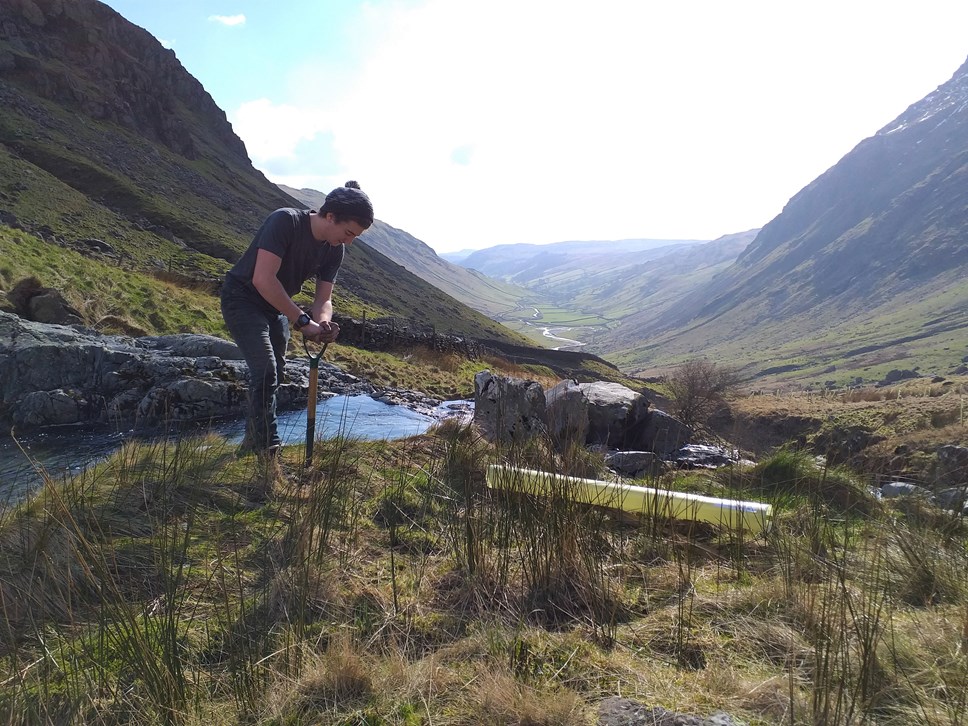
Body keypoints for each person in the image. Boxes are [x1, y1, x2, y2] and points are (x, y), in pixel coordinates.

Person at [220, 181, 374, 458]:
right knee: (265, 370)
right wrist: (303, 322)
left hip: (275, 309)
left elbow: (323, 300)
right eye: (348, 232)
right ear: (330, 216)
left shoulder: (334, 249)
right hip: (242, 299)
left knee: (274, 374)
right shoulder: (285, 221)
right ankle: (269, 449)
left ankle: (252, 444)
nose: (349, 241)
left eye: (355, 237)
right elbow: (263, 279)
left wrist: (324, 322)